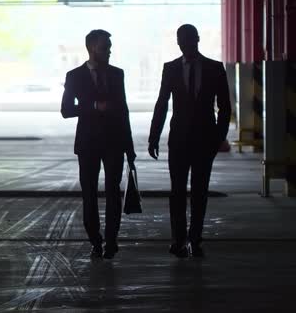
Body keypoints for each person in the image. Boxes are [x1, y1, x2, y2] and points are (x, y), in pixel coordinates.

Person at [148, 24, 231, 258]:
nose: (184, 43)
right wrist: (154, 136)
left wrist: (218, 139)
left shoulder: (215, 69)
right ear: (177, 42)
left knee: (199, 192)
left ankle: (195, 239)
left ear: (197, 39)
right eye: (181, 39)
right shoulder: (170, 68)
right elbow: (162, 103)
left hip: (205, 140)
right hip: (178, 141)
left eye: (188, 39)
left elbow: (225, 108)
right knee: (177, 192)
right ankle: (178, 240)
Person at [61, 29, 136, 260]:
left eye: (109, 46)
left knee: (114, 193)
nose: (109, 50)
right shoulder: (74, 76)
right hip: (88, 143)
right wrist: (93, 107)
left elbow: (123, 110)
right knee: (89, 194)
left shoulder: (117, 74)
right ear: (92, 48)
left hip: (114, 142)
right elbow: (66, 110)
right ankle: (95, 240)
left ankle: (111, 242)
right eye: (105, 46)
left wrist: (130, 147)